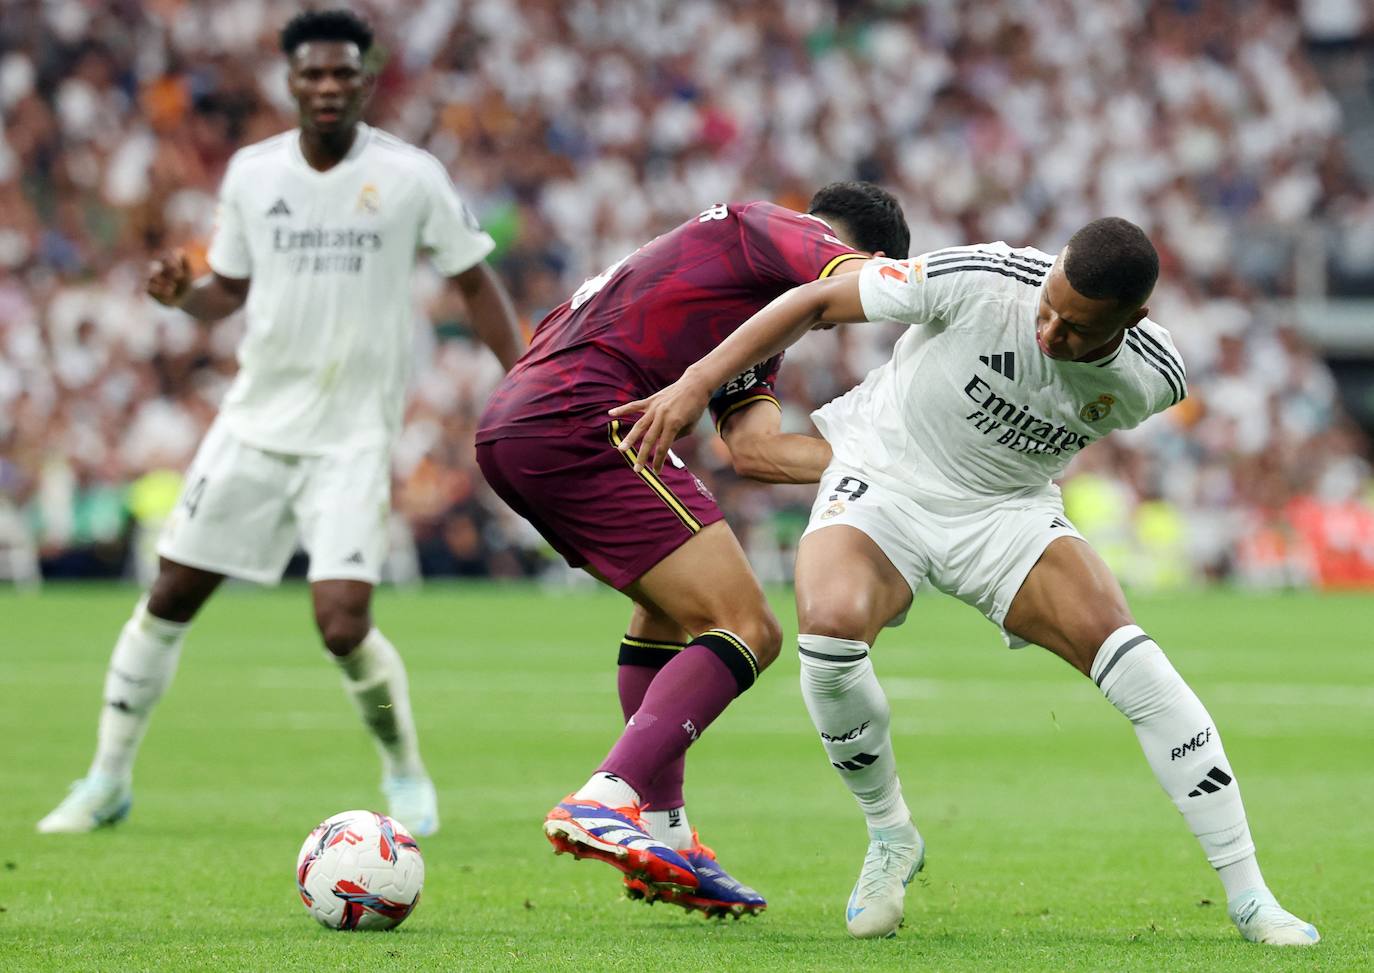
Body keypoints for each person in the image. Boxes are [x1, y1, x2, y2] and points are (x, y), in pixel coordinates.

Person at [613, 218, 1320, 945]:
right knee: (828, 631)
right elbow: (815, 301)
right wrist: (698, 382)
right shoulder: (985, 276)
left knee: (1138, 666)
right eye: (1048, 307)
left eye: (1076, 330)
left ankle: (1250, 895)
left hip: (1005, 512)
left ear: (1132, 320)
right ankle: (891, 836)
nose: (1049, 333)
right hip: (885, 477)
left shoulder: (1155, 376)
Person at [37, 9, 522, 838]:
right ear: (290, 82)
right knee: (169, 594)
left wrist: (529, 375)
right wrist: (183, 294)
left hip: (352, 437)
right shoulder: (252, 175)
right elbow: (226, 286)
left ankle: (404, 771)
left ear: (367, 79)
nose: (329, 87)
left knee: (341, 621)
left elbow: (473, 281)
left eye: (344, 73)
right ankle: (107, 778)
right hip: (255, 423)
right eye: (313, 74)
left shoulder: (411, 176)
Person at [475, 183, 909, 916]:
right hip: (584, 414)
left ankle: (664, 834)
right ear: (853, 246)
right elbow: (857, 285)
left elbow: (757, 448)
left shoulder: (754, 306)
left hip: (528, 420)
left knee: (665, 614)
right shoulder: (775, 229)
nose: (827, 329)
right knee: (750, 627)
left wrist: (900, 468)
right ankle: (605, 794)